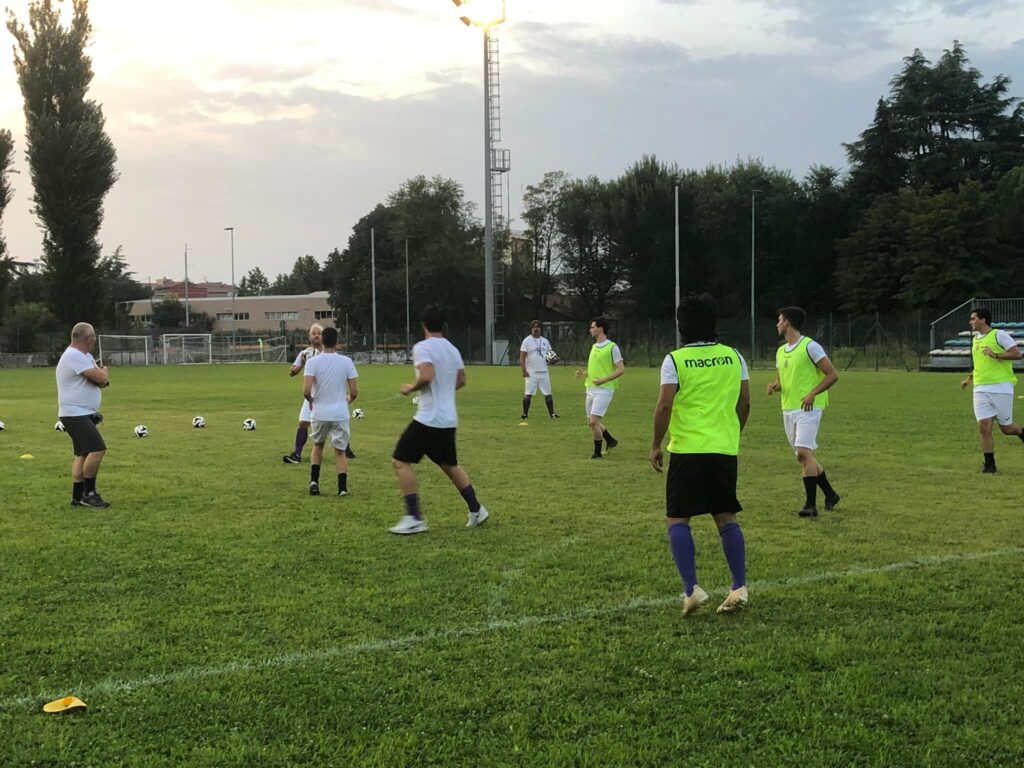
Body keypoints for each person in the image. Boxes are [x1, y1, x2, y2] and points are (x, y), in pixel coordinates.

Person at [650, 293, 751, 615]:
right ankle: (739, 587)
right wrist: (732, 432)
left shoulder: (675, 360)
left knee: (677, 518)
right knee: (725, 516)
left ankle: (691, 589)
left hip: (688, 450)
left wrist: (655, 444)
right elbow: (745, 402)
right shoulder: (734, 356)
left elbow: (665, 406)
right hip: (723, 449)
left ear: (682, 325)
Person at [389, 304, 489, 535]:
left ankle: (414, 518)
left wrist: (410, 387)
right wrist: (443, 390)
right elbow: (461, 380)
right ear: (443, 325)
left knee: (400, 461)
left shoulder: (422, 347)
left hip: (429, 419)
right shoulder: (453, 349)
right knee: (449, 465)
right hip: (448, 419)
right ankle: (477, 509)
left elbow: (426, 375)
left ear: (423, 325)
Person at [767, 306, 840, 517]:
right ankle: (830, 494)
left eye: (780, 319)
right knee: (804, 456)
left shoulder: (810, 346)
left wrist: (812, 393)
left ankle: (810, 505)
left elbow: (832, 375)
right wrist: (775, 386)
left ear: (787, 322)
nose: (777, 323)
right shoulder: (781, 351)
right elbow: (783, 381)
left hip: (809, 408)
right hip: (788, 408)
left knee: (802, 452)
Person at [959, 306, 1024, 473]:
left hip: (1001, 387)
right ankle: (989, 466)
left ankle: (1022, 433)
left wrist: (995, 354)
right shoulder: (975, 340)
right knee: (984, 426)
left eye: (973, 318)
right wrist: (969, 379)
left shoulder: (998, 335)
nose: (970, 322)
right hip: (980, 388)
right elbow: (980, 364)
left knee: (1007, 428)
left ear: (983, 320)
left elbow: (1017, 354)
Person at [56, 322, 111, 509]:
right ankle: (89, 493)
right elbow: (102, 378)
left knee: (82, 453)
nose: (94, 340)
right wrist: (103, 373)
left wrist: (101, 376)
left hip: (82, 413)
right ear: (88, 338)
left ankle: (77, 496)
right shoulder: (74, 355)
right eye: (93, 336)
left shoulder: (85, 356)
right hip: (75, 414)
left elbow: (101, 382)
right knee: (98, 449)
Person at [284, 323, 355, 463]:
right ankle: (297, 454)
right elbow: (292, 371)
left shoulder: (330, 353)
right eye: (313, 333)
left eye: (319, 333)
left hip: (329, 394)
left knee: (336, 422)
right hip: (311, 395)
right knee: (303, 423)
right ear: (309, 337)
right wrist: (298, 367)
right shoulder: (305, 354)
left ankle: (346, 450)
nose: (316, 335)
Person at [303, 326, 359, 496]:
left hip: (320, 412)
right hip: (339, 413)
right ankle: (342, 488)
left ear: (322, 340)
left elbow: (306, 390)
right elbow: (354, 391)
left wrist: (311, 401)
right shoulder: (346, 362)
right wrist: (348, 399)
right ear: (337, 342)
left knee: (318, 445)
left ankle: (314, 482)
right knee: (340, 451)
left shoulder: (312, 362)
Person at [575, 317, 624, 459]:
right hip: (590, 388)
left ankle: (597, 454)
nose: (590, 329)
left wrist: (603, 380)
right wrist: (584, 373)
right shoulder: (594, 346)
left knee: (593, 421)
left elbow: (621, 369)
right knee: (592, 423)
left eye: (593, 327)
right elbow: (595, 369)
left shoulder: (612, 347)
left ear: (601, 328)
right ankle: (611, 440)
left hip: (605, 389)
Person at [519, 319, 559, 420]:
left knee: (548, 394)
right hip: (531, 372)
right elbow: (522, 357)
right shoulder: (527, 341)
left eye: (537, 327)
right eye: (534, 327)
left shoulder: (545, 341)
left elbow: (550, 355)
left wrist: (554, 360)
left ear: (541, 329)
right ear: (531, 329)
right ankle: (525, 414)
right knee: (528, 394)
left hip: (544, 372)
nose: (535, 329)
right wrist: (524, 370)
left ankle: (552, 414)